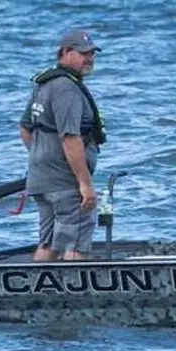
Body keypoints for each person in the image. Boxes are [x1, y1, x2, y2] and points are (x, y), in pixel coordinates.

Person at [19, 29, 107, 261]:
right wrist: (85, 185)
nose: (89, 58)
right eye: (83, 53)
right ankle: (74, 294)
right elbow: (70, 138)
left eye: (92, 54)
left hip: (41, 177)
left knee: (48, 243)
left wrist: (42, 157)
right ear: (66, 52)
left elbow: (25, 128)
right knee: (74, 244)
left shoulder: (44, 83)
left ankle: (39, 294)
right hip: (65, 181)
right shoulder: (66, 88)